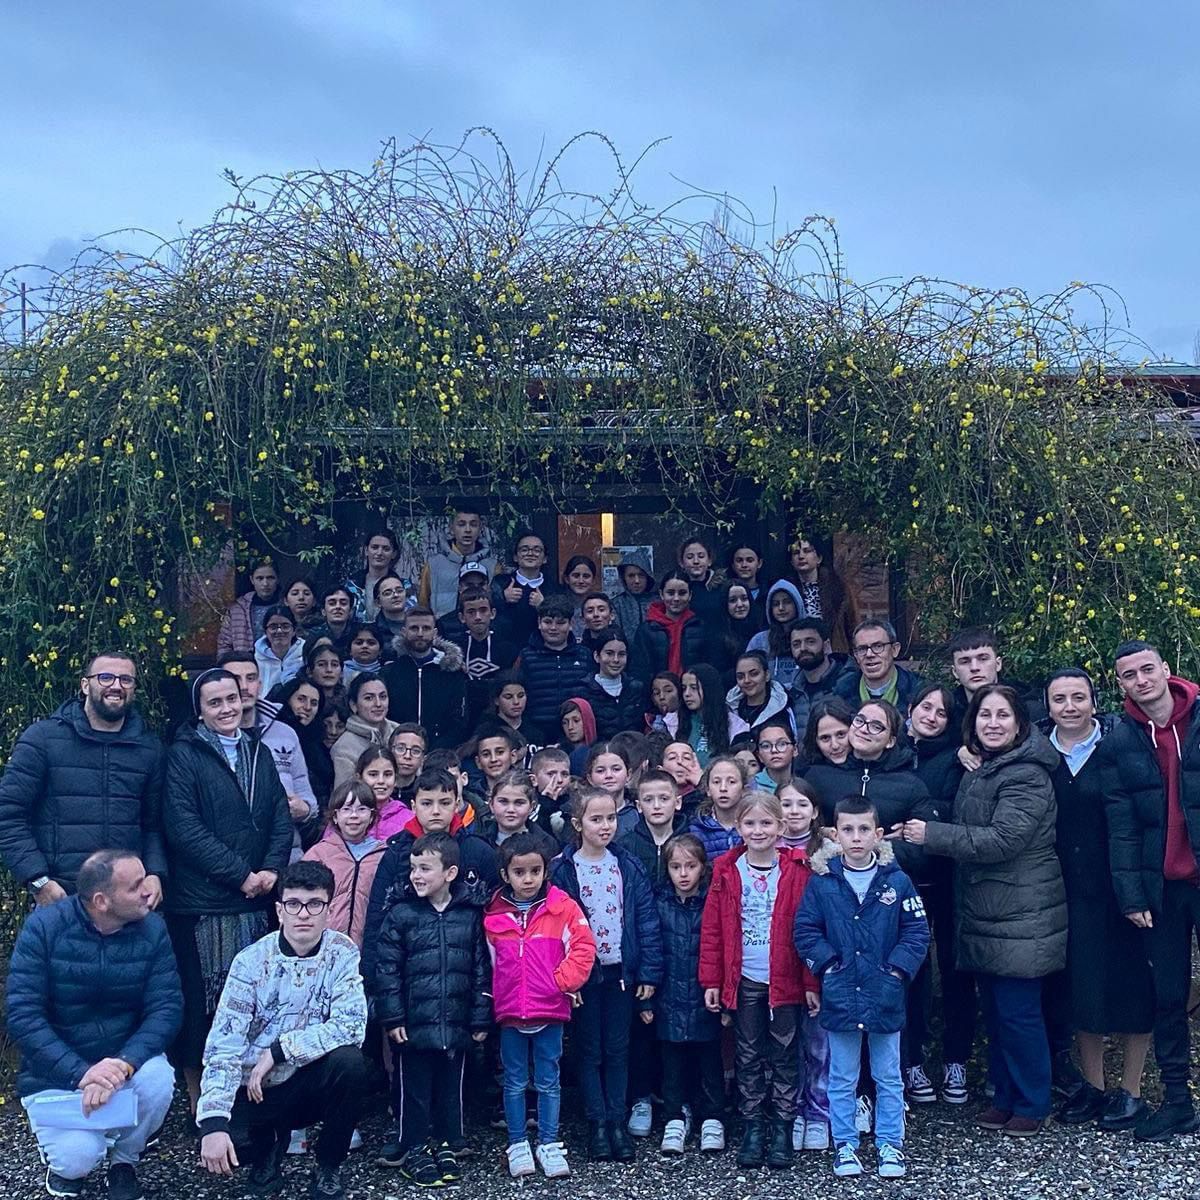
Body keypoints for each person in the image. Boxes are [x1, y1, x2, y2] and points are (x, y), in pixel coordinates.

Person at [899, 685, 1065, 1137]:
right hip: (986, 909)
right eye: (984, 715)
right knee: (995, 1011)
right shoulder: (984, 767)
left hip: (1020, 911)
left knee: (1018, 1013)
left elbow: (1003, 840)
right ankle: (1006, 1097)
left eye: (1002, 715)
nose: (993, 723)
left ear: (1020, 723)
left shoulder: (1026, 774)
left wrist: (932, 835)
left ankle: (1032, 1102)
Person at [7, 850, 182, 1200]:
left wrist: (124, 1063)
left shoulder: (153, 929)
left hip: (122, 1062)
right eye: (135, 886)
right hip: (57, 1074)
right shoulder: (44, 928)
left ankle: (125, 1160)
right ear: (102, 901)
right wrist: (81, 1073)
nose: (148, 890)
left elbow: (166, 1008)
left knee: (159, 1079)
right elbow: (23, 1015)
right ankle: (65, 1164)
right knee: (78, 1158)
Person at [197, 860, 372, 1200]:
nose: (303, 914)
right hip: (256, 1088)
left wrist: (280, 1050)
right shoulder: (249, 961)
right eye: (293, 904)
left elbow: (352, 1025)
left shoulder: (343, 952)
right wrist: (213, 1122)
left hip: (309, 1079)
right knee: (231, 1146)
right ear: (279, 911)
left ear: (328, 910)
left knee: (350, 1064)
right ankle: (267, 1150)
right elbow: (223, 1044)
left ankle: (328, 1165)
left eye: (314, 904)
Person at [163, 669, 292, 1108]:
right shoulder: (183, 756)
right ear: (199, 711)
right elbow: (184, 828)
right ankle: (202, 1103)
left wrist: (271, 868)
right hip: (204, 904)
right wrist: (241, 875)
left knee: (254, 1005)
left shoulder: (258, 751)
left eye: (231, 699)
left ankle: (247, 1100)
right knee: (202, 1007)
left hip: (256, 901)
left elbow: (279, 815)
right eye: (214, 702)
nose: (226, 709)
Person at [1096, 640, 1200, 1142]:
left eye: (1146, 670)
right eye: (1128, 675)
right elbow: (1121, 826)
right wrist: (1131, 894)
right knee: (1168, 997)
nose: (1141, 680)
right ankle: (1178, 1101)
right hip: (1161, 889)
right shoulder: (1121, 739)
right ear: (1120, 683)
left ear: (1165, 669)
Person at [794, 798, 930, 1180]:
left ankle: (890, 1142)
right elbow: (805, 930)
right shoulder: (822, 883)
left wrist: (897, 971)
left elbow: (917, 931)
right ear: (835, 835)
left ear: (878, 834)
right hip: (840, 991)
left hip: (885, 992)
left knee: (888, 1074)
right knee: (842, 1076)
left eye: (864, 829)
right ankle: (845, 1144)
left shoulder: (897, 881)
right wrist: (828, 966)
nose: (856, 837)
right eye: (848, 830)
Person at [1042, 668, 1154, 1130]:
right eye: (1059, 699)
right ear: (1047, 706)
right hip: (1064, 889)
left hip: (1121, 886)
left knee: (1133, 986)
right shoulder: (1039, 753)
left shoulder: (1119, 745)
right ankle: (1093, 1087)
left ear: (1094, 700)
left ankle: (1130, 1091)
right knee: (1082, 987)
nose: (1069, 707)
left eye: (1078, 697)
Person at [699, 790, 820, 1170]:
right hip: (745, 977)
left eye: (766, 823)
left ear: (780, 827)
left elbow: (809, 930)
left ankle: (782, 1126)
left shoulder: (798, 871)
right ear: (738, 826)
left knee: (785, 1053)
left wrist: (811, 983)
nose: (758, 830)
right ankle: (752, 1126)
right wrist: (712, 981)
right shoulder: (726, 870)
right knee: (747, 1053)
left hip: (785, 979)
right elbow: (712, 931)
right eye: (750, 823)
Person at [0, 650, 166, 905]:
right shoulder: (43, 739)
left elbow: (153, 825)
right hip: (62, 896)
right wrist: (38, 879)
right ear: (85, 685)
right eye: (106, 677)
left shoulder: (149, 749)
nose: (116, 686)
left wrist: (154, 873)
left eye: (126, 679)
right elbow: (8, 814)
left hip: (127, 900)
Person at [551, 788, 663, 1163]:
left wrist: (647, 972)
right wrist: (568, 979)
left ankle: (617, 1120)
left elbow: (646, 921)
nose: (605, 826)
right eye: (596, 819)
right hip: (585, 976)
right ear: (577, 823)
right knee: (589, 1050)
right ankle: (596, 1122)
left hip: (620, 973)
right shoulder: (563, 870)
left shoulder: (626, 865)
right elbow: (556, 930)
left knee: (618, 1048)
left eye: (611, 818)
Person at [375, 833, 491, 1186]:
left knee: (450, 1087)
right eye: (413, 868)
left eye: (425, 868)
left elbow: (481, 969)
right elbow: (387, 970)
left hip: (455, 1020)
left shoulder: (469, 915)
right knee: (414, 1089)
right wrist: (393, 1016)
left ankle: (446, 1142)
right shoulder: (401, 914)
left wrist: (480, 1015)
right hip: (414, 1023)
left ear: (450, 873)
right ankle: (413, 1146)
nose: (416, 875)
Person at [484, 833, 597, 1179]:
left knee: (549, 1080)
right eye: (519, 872)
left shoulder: (562, 907)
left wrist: (562, 983)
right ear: (505, 875)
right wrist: (496, 997)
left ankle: (548, 1142)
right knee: (514, 1081)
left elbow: (583, 947)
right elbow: (489, 964)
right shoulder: (493, 914)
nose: (528, 879)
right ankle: (518, 1143)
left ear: (546, 871)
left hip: (550, 1009)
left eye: (535, 871)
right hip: (510, 1013)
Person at [903, 683, 972, 1105]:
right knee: (911, 970)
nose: (931, 716)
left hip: (947, 875)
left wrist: (926, 819)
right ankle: (912, 1059)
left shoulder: (955, 758)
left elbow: (960, 808)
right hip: (906, 879)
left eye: (941, 712)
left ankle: (956, 1058)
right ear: (910, 708)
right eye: (926, 707)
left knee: (955, 967)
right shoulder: (893, 751)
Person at [653, 834, 725, 1155]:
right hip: (668, 997)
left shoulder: (713, 902)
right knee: (672, 1062)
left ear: (703, 867)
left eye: (691, 866)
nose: (683, 874)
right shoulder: (659, 903)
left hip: (705, 996)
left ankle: (713, 1117)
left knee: (710, 1060)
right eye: (676, 866)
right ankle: (674, 1116)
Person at [219, 653, 317, 859]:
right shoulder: (205, 739)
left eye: (251, 678)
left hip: (287, 855)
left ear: (260, 684)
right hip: (230, 857)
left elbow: (307, 796)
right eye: (235, 679)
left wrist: (305, 809)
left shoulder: (285, 733)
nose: (244, 687)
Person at [302, 780, 385, 946]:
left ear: (372, 816)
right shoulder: (319, 853)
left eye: (362, 809)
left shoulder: (383, 854)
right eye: (346, 809)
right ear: (335, 816)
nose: (354, 816)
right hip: (325, 942)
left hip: (371, 943)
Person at [516, 595, 593, 735]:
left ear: (571, 624)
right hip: (537, 731)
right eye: (547, 622)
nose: (553, 628)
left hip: (575, 731)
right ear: (539, 623)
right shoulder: (526, 656)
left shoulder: (585, 655)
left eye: (560, 623)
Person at [448, 586, 519, 728]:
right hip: (462, 720)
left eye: (483, 610)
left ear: (492, 613)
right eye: (471, 612)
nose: (478, 617)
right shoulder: (453, 649)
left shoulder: (508, 649)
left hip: (498, 719)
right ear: (462, 617)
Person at [269, 674, 334, 811]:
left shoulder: (318, 742)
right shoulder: (271, 735)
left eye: (314, 703)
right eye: (301, 699)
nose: (307, 707)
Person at [418, 509, 498, 617]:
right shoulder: (434, 564)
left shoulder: (492, 566)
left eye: (473, 525)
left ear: (480, 529)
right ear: (451, 528)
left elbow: (497, 603)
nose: (468, 530)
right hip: (442, 625)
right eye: (461, 524)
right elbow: (423, 603)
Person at [834, 620, 923, 713]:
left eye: (878, 646)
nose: (869, 654)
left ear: (894, 650)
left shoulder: (918, 690)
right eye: (862, 649)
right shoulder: (840, 693)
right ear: (855, 655)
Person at [616, 768, 686, 886]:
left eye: (664, 799)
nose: (656, 806)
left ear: (677, 803)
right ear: (639, 806)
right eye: (648, 800)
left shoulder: (690, 842)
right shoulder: (625, 846)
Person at [631, 571, 706, 680]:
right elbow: (640, 669)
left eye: (682, 593)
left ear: (690, 595)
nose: (676, 598)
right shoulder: (647, 630)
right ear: (661, 594)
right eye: (670, 593)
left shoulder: (700, 627)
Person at [782, 532, 850, 650]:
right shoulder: (786, 590)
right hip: (799, 650)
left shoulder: (837, 587)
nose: (801, 556)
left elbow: (851, 623)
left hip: (832, 648)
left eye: (807, 551)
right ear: (791, 561)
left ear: (819, 558)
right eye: (796, 553)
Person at [330, 674, 397, 786]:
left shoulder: (400, 733)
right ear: (353, 705)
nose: (378, 704)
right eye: (369, 698)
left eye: (383, 697)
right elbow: (344, 793)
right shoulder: (344, 747)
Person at [492, 531, 556, 646]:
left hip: (542, 649)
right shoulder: (500, 583)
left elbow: (561, 619)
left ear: (545, 558)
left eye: (537, 550)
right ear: (515, 557)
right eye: (524, 549)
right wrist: (502, 598)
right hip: (504, 647)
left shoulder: (554, 588)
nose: (530, 553)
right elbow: (485, 612)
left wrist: (543, 606)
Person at [789, 618, 849, 738]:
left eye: (810, 642)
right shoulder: (793, 693)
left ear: (826, 646)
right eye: (796, 644)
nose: (803, 648)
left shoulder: (848, 684)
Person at [582, 629, 647, 739]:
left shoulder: (637, 688)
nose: (616, 660)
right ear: (597, 656)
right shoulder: (583, 691)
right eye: (609, 653)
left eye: (621, 654)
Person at [747, 581, 807, 689]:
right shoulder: (759, 641)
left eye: (787, 602)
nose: (781, 608)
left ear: (797, 604)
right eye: (775, 604)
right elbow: (748, 674)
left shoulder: (810, 636)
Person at [726, 651, 795, 741]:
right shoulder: (729, 710)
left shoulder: (784, 709)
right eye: (740, 676)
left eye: (754, 674)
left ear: (767, 675)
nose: (746, 680)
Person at [217, 559, 279, 654]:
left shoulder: (286, 606)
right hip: (245, 661)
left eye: (270, 578)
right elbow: (224, 644)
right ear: (252, 580)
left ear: (277, 579)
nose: (265, 583)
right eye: (260, 578)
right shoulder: (238, 609)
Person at [705, 580, 764, 680]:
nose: (740, 604)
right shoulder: (717, 637)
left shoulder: (761, 629)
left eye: (744, 599)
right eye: (733, 600)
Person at [346, 528, 401, 622]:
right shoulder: (352, 586)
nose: (379, 553)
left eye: (386, 549)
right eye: (375, 547)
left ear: (394, 554)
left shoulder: (404, 587)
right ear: (366, 550)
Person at [679, 664, 731, 764]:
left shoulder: (733, 723)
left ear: (709, 689)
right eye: (684, 688)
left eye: (694, 688)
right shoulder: (674, 722)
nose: (687, 693)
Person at [254, 605, 305, 695]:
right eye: (273, 627)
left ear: (294, 631)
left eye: (285, 626)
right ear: (265, 631)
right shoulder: (255, 660)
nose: (279, 631)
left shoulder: (305, 654)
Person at [611, 550, 655, 641]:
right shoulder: (616, 604)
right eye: (631, 576)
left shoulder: (658, 602)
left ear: (648, 576)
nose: (636, 581)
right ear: (624, 578)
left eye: (641, 575)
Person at [803, 697, 854, 768]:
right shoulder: (806, 772)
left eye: (841, 734)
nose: (835, 746)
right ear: (815, 741)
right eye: (825, 738)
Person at [755, 720, 801, 792]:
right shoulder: (751, 787)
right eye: (766, 746)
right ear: (759, 755)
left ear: (795, 750)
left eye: (782, 744)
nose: (774, 750)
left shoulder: (806, 783)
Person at [561, 554, 600, 638]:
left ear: (593, 580)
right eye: (576, 576)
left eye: (586, 576)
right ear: (567, 579)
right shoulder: (558, 605)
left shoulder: (601, 606)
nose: (581, 581)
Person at [307, 585, 355, 651]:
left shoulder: (358, 634)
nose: (338, 607)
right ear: (323, 611)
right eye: (332, 603)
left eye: (343, 603)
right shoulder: (312, 635)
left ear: (351, 611)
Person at [371, 574, 414, 645]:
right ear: (378, 602)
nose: (396, 595)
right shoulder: (372, 632)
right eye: (388, 593)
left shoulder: (420, 625)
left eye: (399, 591)